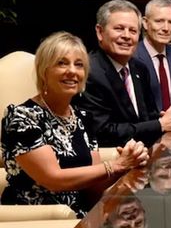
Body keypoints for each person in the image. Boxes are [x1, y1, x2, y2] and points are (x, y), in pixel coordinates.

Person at [0, 31, 149, 218]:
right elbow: (52, 179)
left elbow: (92, 185)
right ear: (43, 71)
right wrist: (116, 165)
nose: (72, 71)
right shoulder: (22, 116)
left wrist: (129, 163)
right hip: (41, 217)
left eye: (79, 65)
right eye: (61, 63)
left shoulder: (83, 117)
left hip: (81, 215)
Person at [74, 0, 171, 147]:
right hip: (110, 159)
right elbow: (102, 131)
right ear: (100, 32)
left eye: (133, 31)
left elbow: (149, 117)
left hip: (144, 155)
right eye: (119, 29)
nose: (127, 36)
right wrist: (161, 124)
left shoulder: (139, 69)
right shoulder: (89, 72)